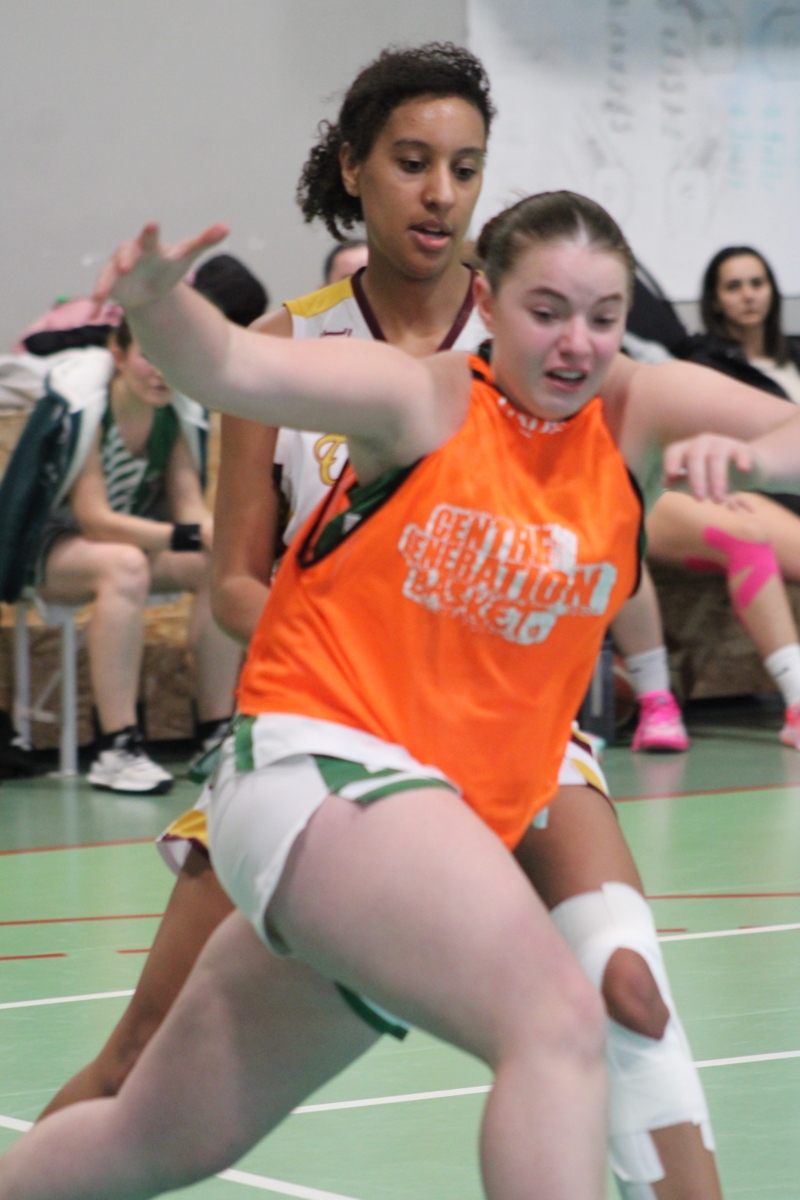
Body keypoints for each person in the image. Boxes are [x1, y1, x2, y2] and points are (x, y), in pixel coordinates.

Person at [34, 45, 800, 1200]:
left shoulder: (614, 396)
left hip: (502, 759)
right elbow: (228, 402)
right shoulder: (400, 384)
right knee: (537, 1017)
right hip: (336, 741)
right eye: (410, 163)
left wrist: (745, 454)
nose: (439, 193)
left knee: (622, 1000)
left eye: (465, 168)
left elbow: (771, 432)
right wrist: (153, 305)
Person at [35, 315, 242, 793]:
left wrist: (216, 536)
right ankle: (117, 746)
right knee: (124, 565)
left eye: (171, 358)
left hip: (123, 546)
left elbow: (189, 508)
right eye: (149, 356)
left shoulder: (175, 414)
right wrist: (193, 533)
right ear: (119, 355)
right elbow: (95, 521)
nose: (161, 371)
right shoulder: (88, 410)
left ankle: (215, 733)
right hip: (50, 549)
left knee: (214, 563)